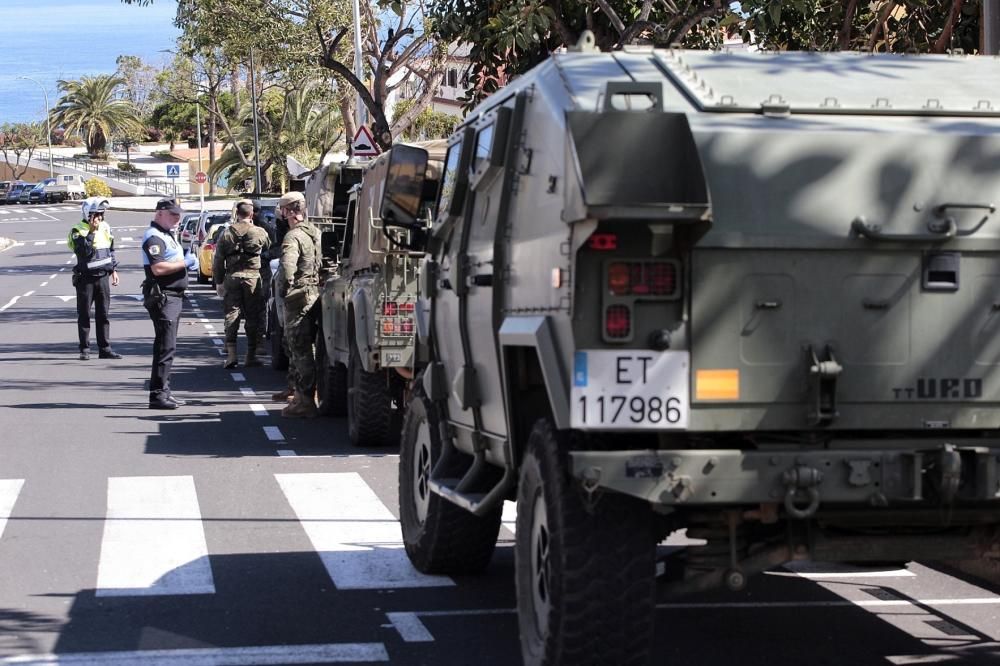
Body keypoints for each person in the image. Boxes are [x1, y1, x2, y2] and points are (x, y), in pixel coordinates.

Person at [141, 198, 198, 410]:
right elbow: (158, 269)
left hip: (172, 295)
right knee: (166, 346)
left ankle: (164, 391)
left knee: (168, 345)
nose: (177, 218)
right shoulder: (154, 237)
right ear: (160, 213)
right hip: (164, 296)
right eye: (173, 214)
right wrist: (185, 262)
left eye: (178, 214)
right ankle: (157, 395)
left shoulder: (165, 235)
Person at [275, 190, 321, 418]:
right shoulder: (314, 232)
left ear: (287, 211)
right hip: (313, 293)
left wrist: (285, 291)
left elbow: (287, 268)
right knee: (306, 348)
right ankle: (302, 396)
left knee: (300, 349)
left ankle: (305, 401)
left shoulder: (293, 237)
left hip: (298, 298)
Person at [212, 200, 270, 368]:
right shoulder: (259, 232)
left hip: (232, 277)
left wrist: (219, 281)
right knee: (253, 316)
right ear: (251, 214)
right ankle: (250, 355)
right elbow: (268, 247)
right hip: (252, 278)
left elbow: (218, 261)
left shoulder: (227, 233)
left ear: (237, 214)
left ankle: (231, 355)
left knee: (232, 314)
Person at [68, 197, 121, 360]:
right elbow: (84, 252)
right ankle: (84, 349)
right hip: (86, 280)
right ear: (87, 214)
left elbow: (110, 250)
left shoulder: (105, 227)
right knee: (84, 314)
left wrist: (114, 270)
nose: (99, 218)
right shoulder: (77, 230)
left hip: (103, 278)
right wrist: (91, 231)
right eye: (96, 214)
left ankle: (104, 348)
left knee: (103, 315)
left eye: (101, 214)